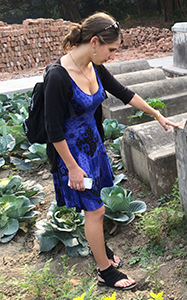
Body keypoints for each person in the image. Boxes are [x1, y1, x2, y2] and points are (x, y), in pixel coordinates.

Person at [44, 12, 177, 290]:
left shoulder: (95, 67)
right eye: (112, 50)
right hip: (73, 156)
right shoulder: (57, 76)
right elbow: (53, 130)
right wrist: (72, 167)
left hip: (94, 149)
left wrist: (156, 114)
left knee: (96, 209)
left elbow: (124, 92)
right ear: (94, 42)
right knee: (95, 211)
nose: (113, 56)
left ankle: (100, 250)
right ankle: (106, 271)